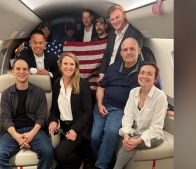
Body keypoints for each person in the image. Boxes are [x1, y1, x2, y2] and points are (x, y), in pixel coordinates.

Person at [90, 38, 161, 169]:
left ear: (139, 50)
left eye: (132, 49)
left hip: (122, 109)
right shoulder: (112, 68)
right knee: (94, 136)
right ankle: (104, 157)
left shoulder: (145, 71)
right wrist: (99, 104)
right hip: (103, 105)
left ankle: (101, 165)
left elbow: (157, 91)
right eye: (125, 50)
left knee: (110, 132)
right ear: (121, 53)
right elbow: (101, 88)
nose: (128, 52)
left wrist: (166, 108)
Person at [0, 59, 54, 169]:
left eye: (24, 69)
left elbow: (41, 118)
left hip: (35, 130)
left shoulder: (39, 92)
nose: (21, 72)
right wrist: (18, 137)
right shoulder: (6, 94)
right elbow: (5, 118)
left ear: (28, 72)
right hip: (12, 132)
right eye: (18, 69)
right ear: (12, 72)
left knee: (48, 152)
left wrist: (30, 135)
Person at [113, 62, 167, 169]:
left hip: (154, 135)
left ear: (155, 79)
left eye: (149, 74)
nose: (144, 76)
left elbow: (156, 127)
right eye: (142, 73)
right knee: (130, 149)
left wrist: (137, 141)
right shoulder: (133, 92)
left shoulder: (161, 97)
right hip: (136, 132)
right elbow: (128, 116)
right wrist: (126, 134)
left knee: (127, 147)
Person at [48, 52, 93, 169]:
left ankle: (80, 164)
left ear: (76, 67)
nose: (68, 67)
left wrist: (74, 130)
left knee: (60, 153)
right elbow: (54, 109)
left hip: (80, 128)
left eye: (72, 64)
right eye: (65, 64)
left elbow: (88, 111)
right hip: (64, 126)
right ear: (60, 66)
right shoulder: (57, 84)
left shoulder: (83, 84)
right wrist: (52, 121)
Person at [98, 4, 143, 83]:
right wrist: (102, 73)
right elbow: (107, 54)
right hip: (109, 73)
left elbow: (132, 61)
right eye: (112, 19)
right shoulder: (112, 34)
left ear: (124, 16)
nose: (115, 21)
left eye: (117, 17)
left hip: (123, 77)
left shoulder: (135, 35)